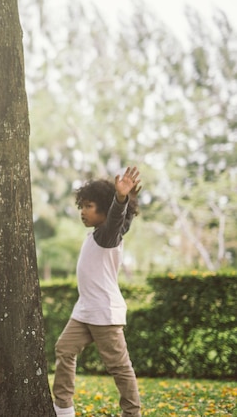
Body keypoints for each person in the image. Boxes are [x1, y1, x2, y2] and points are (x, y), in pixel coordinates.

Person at [52, 166, 143, 417]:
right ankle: (63, 408)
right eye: (82, 206)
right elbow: (123, 220)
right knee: (64, 348)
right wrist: (127, 198)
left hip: (103, 312)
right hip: (85, 310)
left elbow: (117, 219)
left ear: (104, 208)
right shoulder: (97, 235)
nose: (83, 212)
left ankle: (132, 413)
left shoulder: (107, 236)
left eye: (89, 206)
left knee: (119, 366)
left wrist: (122, 198)